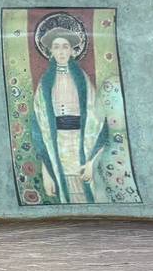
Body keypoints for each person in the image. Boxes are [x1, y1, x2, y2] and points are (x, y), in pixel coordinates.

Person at [31, 28, 109, 203]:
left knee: (86, 192)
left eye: (65, 46)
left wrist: (91, 162)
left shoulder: (83, 80)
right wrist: (46, 171)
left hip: (81, 144)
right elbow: (40, 126)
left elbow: (98, 120)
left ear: (72, 50)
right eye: (56, 47)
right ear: (50, 51)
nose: (61, 51)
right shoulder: (45, 83)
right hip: (57, 146)